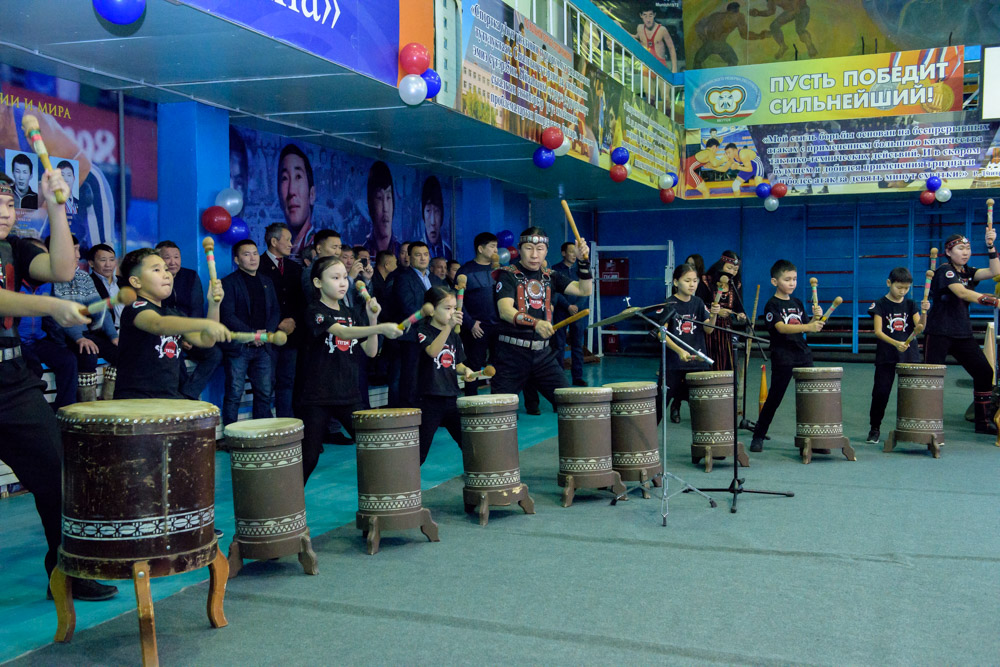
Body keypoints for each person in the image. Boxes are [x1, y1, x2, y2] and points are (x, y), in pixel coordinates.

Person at [0, 168, 120, 601]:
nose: (5, 212)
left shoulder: (14, 248)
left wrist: (55, 204)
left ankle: (66, 571)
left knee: (59, 475)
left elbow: (63, 268)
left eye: (10, 204)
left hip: (12, 381)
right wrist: (50, 304)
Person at [299, 256, 400, 483]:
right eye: (335, 278)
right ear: (317, 283)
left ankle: (383, 501)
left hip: (349, 394)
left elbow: (371, 351)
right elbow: (342, 333)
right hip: (318, 396)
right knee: (309, 457)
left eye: (344, 277)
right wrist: (383, 327)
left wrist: (373, 321)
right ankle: (286, 506)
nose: (343, 283)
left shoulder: (352, 313)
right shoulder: (315, 310)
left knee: (372, 448)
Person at [491, 227, 592, 408]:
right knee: (498, 412)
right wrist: (535, 323)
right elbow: (505, 311)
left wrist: (584, 261)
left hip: (543, 355)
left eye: (539, 249)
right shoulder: (507, 274)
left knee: (571, 405)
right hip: (511, 356)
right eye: (529, 248)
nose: (534, 254)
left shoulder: (550, 276)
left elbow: (584, 290)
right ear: (520, 249)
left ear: (546, 251)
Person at [114, 249, 228, 400]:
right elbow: (158, 324)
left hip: (167, 397)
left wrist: (214, 305)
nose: (166, 274)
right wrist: (203, 323)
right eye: (156, 269)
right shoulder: (136, 307)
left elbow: (207, 340)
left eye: (166, 269)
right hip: (136, 400)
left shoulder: (174, 313)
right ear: (136, 281)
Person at [923, 231, 1000, 434]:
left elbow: (995, 271)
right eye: (960, 249)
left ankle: (983, 422)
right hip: (939, 331)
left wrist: (990, 246)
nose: (965, 253)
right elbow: (962, 292)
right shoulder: (945, 271)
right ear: (948, 251)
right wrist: (994, 300)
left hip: (962, 332)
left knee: (984, 371)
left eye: (968, 249)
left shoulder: (967, 271)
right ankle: (926, 422)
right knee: (932, 377)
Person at [750, 259, 824, 452]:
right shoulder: (771, 305)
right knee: (774, 398)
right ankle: (758, 435)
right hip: (783, 356)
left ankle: (814, 439)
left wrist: (817, 316)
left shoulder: (797, 302)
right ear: (775, 282)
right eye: (787, 279)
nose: (792, 283)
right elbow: (781, 328)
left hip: (803, 354)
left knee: (811, 398)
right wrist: (809, 326)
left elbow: (806, 325)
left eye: (795, 279)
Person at [50, 235, 118, 402]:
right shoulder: (51, 277)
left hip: (84, 333)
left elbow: (98, 308)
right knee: (87, 355)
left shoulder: (83, 277)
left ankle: (109, 403)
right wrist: (79, 337)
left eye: (78, 250)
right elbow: (60, 315)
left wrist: (113, 336)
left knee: (120, 352)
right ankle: (88, 408)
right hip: (63, 336)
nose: (78, 255)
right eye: (74, 250)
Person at [219, 239, 280, 425]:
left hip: (263, 347)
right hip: (240, 347)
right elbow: (227, 316)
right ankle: (231, 435)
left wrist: (265, 334)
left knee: (264, 392)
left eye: (255, 253)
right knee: (234, 392)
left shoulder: (267, 281)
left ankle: (261, 431)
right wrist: (253, 334)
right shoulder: (228, 283)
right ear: (237, 260)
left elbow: (275, 311)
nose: (253, 258)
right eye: (246, 254)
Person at [156, 241, 223, 400]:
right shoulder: (154, 280)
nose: (173, 262)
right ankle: (179, 397)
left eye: (176, 257)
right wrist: (180, 337)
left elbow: (197, 308)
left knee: (215, 354)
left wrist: (191, 335)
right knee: (172, 351)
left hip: (190, 331)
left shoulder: (190, 276)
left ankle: (188, 394)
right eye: (167, 258)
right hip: (167, 334)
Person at [415, 286, 473, 465]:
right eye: (447, 308)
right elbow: (433, 351)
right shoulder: (422, 331)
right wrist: (448, 327)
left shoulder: (454, 336)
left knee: (469, 443)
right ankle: (402, 483)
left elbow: (457, 364)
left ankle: (480, 475)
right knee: (419, 450)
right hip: (429, 399)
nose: (452, 312)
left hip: (451, 397)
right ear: (431, 310)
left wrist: (466, 371)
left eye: (454, 308)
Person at [18, 240, 77, 410]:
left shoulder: (47, 283)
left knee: (68, 360)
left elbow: (52, 318)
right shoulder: (13, 282)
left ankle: (65, 411)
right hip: (17, 343)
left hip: (38, 340)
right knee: (33, 365)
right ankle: (34, 411)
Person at [658, 264, 720, 423]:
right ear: (676, 282)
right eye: (687, 280)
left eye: (695, 280)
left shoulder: (698, 302)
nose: (692, 284)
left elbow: (709, 330)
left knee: (702, 409)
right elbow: (661, 333)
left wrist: (713, 316)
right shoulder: (669, 303)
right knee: (659, 406)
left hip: (697, 362)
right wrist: (679, 351)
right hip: (673, 364)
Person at [867, 267, 921, 444]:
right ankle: (874, 428)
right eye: (899, 287)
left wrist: (925, 313)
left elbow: (920, 327)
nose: (903, 292)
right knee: (881, 392)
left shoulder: (912, 304)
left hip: (909, 354)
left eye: (906, 288)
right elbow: (878, 331)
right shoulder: (880, 304)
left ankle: (915, 429)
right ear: (889, 283)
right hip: (887, 354)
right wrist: (896, 343)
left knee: (912, 393)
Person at [258, 223, 304, 419]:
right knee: (265, 385)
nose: (292, 245)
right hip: (268, 335)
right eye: (288, 240)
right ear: (274, 241)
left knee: (288, 382)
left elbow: (301, 299)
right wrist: (276, 324)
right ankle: (265, 428)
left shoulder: (295, 268)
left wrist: (293, 320)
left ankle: (286, 424)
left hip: (292, 335)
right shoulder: (257, 265)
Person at [393, 241, 445, 407]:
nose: (422, 258)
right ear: (409, 257)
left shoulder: (436, 280)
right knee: (411, 378)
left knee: (432, 375)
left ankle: (431, 411)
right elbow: (407, 306)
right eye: (417, 254)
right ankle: (409, 414)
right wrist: (433, 317)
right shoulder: (402, 278)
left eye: (425, 254)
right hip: (413, 336)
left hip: (434, 334)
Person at [457, 232, 499, 397]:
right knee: (473, 368)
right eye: (492, 246)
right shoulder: (465, 271)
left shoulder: (499, 270)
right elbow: (458, 302)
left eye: (496, 246)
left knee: (499, 367)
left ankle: (499, 402)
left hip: (498, 326)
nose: (496, 250)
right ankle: (471, 404)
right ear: (480, 249)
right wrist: (470, 323)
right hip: (476, 328)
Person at [701, 251, 746, 371]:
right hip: (708, 325)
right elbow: (700, 304)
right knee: (711, 355)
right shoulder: (706, 281)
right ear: (721, 265)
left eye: (735, 270)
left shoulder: (736, 284)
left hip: (726, 327)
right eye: (729, 268)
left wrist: (740, 314)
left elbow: (738, 306)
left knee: (726, 357)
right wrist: (715, 311)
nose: (732, 272)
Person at [276, 144, 315, 262]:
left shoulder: (316, 247)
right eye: (284, 178)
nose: (291, 191)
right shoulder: (282, 250)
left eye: (298, 177)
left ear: (312, 194)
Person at [692, 1, 758, 69]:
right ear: (737, 10)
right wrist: (759, 36)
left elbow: (698, 25)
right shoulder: (738, 16)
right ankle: (729, 76)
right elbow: (744, 35)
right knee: (734, 60)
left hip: (708, 44)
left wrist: (704, 39)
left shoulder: (715, 15)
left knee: (697, 61)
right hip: (721, 45)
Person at [750, 0, 818, 59]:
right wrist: (758, 13)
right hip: (791, 11)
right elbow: (771, 11)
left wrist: (795, 9)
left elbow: (796, 4)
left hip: (801, 8)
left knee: (800, 29)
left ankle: (810, 46)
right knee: (774, 26)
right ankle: (783, 46)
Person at [363, 161, 402, 257]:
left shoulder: (401, 252)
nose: (385, 208)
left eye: (388, 198)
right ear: (370, 204)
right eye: (379, 198)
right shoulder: (364, 252)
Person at [634, 6, 677, 72]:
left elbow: (671, 48)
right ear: (641, 16)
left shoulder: (662, 30)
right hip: (646, 67)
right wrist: (620, 26)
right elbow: (635, 37)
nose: (648, 20)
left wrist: (674, 69)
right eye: (645, 16)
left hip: (660, 67)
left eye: (650, 16)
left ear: (654, 15)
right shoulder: (640, 28)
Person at [88, 243, 121, 330]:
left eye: (112, 260)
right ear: (91, 263)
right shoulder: (87, 284)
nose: (108, 264)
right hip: (106, 333)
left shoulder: (124, 282)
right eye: (103, 260)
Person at [421, 175, 452, 259]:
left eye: (437, 211)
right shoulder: (417, 250)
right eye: (428, 211)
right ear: (423, 214)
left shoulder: (448, 251)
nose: (433, 222)